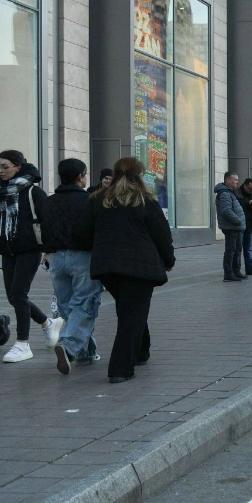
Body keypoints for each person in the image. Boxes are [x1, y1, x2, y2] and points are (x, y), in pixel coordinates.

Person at [73, 156, 175, 384]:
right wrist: (169, 260)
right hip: (140, 267)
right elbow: (162, 235)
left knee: (129, 309)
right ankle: (120, 369)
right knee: (132, 314)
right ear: (139, 175)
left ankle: (141, 351)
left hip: (107, 267)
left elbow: (82, 233)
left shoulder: (99, 200)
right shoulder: (145, 201)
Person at [0, 150, 62, 363]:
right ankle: (47, 324)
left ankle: (23, 344)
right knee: (14, 297)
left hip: (29, 249)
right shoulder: (1, 191)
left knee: (18, 294)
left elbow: (48, 221)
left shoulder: (33, 192)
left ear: (18, 166)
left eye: (5, 166)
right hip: (7, 250)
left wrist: (49, 250)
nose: (1, 171)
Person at [43, 158, 103, 373]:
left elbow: (44, 231)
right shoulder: (90, 200)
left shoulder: (48, 202)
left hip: (57, 258)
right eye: (85, 174)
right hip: (83, 257)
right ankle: (68, 347)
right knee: (85, 303)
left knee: (67, 305)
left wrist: (48, 252)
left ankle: (85, 351)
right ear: (80, 177)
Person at [214, 172, 246, 282]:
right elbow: (226, 211)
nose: (237, 182)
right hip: (231, 227)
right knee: (231, 250)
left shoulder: (229, 192)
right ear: (228, 180)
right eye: (235, 180)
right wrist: (238, 221)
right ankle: (228, 273)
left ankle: (236, 271)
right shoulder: (224, 193)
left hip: (235, 227)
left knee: (237, 250)